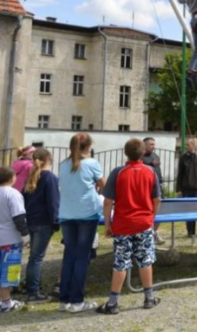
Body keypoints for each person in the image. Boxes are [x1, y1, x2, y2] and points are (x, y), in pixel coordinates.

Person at [97, 138, 161, 314]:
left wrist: (108, 225)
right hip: (143, 224)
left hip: (123, 225)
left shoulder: (118, 173)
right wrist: (151, 218)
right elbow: (157, 199)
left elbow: (108, 201)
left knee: (121, 263)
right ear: (143, 153)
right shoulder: (150, 172)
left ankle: (113, 302)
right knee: (145, 260)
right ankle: (149, 297)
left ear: (125, 153)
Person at [58, 133, 105, 313]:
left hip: (67, 214)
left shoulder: (63, 164)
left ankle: (64, 299)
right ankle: (77, 300)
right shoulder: (92, 163)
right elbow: (104, 184)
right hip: (86, 213)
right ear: (88, 147)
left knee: (69, 255)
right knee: (82, 257)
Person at [22, 148, 59, 304]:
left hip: (30, 220)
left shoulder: (31, 177)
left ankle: (31, 286)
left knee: (33, 257)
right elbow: (53, 202)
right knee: (36, 258)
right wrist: (56, 221)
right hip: (43, 222)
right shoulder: (49, 177)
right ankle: (33, 292)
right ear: (49, 159)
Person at [0, 166, 28, 313]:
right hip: (10, 238)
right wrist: (26, 236)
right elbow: (19, 217)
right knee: (8, 271)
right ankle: (7, 302)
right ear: (12, 178)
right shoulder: (12, 194)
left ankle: (3, 300)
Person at [141, 138, 165, 245]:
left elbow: (158, 170)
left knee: (159, 211)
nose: (153, 146)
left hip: (157, 187)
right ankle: (145, 233)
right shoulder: (140, 157)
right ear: (144, 145)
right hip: (146, 189)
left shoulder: (155, 156)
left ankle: (155, 232)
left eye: (154, 144)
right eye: (151, 144)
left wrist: (161, 181)